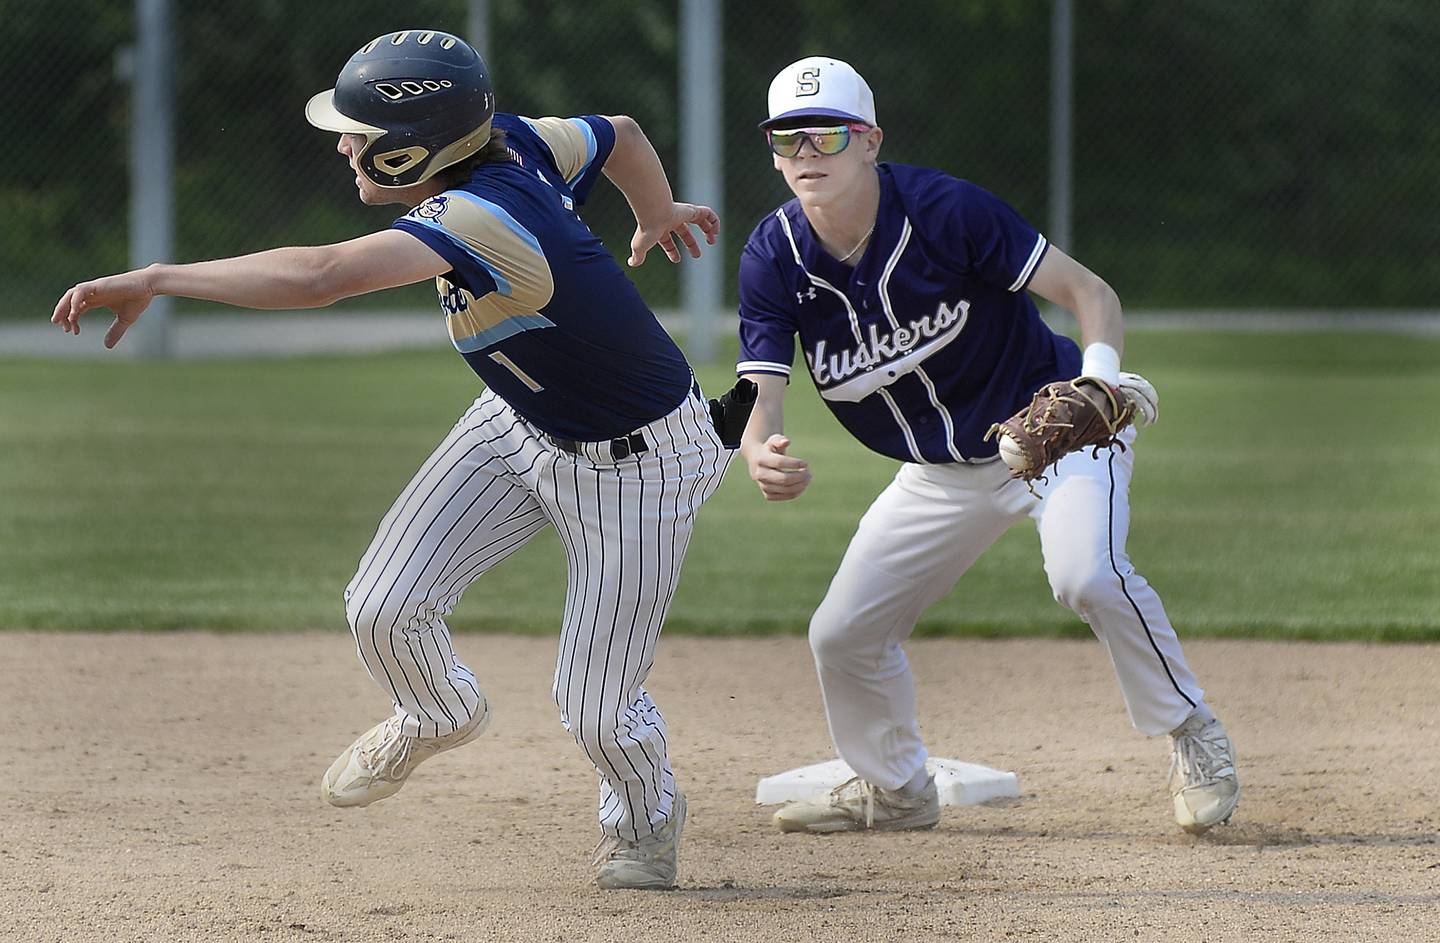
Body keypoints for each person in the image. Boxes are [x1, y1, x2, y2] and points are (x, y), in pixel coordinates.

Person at [51, 30, 731, 889]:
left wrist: (158, 276)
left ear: (419, 146)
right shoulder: (514, 138)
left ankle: (645, 820)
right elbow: (623, 132)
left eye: (360, 131)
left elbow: (320, 276)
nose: (344, 145)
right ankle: (438, 710)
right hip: (517, 419)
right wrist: (655, 212)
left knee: (596, 706)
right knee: (381, 605)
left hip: (641, 464)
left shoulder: (482, 212)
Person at [735, 56, 1240, 836]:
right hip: (940, 473)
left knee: (1087, 574)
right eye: (788, 138)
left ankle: (1192, 731)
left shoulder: (944, 211)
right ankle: (898, 790)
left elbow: (1092, 296)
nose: (807, 154)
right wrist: (757, 446)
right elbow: (760, 392)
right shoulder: (775, 257)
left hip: (1054, 431)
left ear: (869, 141)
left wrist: (1098, 382)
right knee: (843, 633)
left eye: (827, 134)